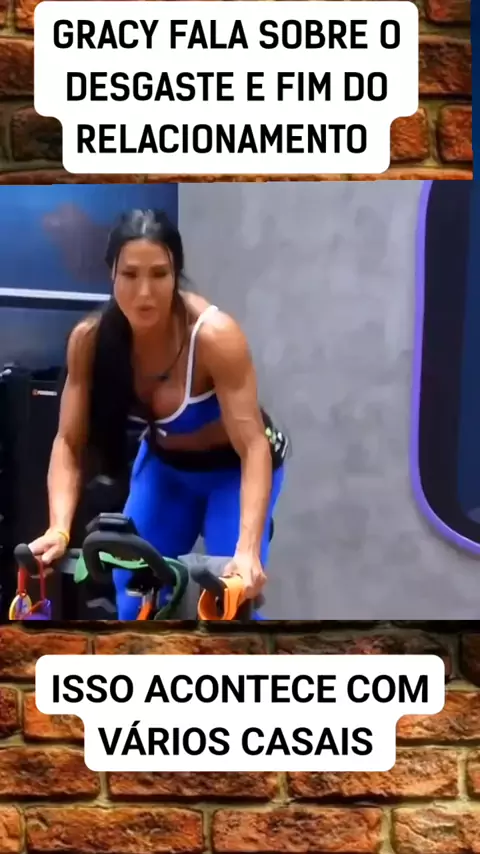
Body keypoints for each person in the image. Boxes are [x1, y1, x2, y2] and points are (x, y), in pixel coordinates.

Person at [28, 209, 287, 620]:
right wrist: (58, 528)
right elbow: (69, 442)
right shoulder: (90, 340)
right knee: (135, 598)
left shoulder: (214, 337)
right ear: (112, 274)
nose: (144, 292)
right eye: (130, 275)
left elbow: (253, 446)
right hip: (166, 471)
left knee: (233, 601)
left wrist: (248, 551)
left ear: (176, 274)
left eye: (159, 275)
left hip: (234, 471)